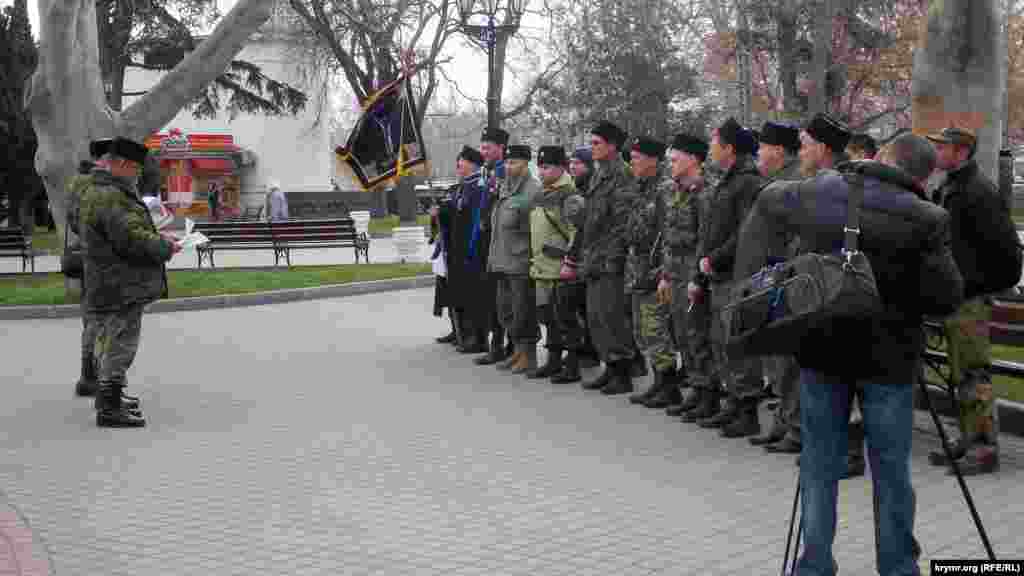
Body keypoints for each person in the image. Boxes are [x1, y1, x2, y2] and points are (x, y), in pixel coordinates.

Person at [734, 121, 963, 576]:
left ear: (882, 158)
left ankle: (814, 564)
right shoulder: (927, 217)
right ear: (922, 178)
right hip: (891, 361)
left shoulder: (820, 189)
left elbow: (765, 202)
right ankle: (897, 567)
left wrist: (758, 280)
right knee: (891, 472)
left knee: (819, 465)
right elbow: (946, 297)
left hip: (822, 351)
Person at [926, 126, 1018, 476]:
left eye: (942, 146)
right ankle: (969, 438)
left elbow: (1007, 253)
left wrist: (976, 286)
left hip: (970, 300)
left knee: (974, 374)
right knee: (961, 372)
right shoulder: (954, 187)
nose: (937, 152)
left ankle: (983, 448)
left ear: (961, 151)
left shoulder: (978, 192)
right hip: (957, 297)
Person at [80, 137, 182, 428]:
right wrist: (164, 246)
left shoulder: (101, 190)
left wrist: (158, 240)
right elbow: (131, 238)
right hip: (120, 284)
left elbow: (127, 233)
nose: (138, 174)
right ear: (122, 165)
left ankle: (109, 397)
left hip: (110, 281)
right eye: (135, 169)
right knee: (120, 344)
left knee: (114, 340)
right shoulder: (111, 195)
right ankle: (110, 408)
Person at [691, 118, 767, 437]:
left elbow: (745, 233)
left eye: (714, 143)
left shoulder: (748, 182)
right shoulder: (729, 180)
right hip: (719, 273)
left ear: (729, 149)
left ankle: (747, 410)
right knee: (722, 341)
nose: (710, 149)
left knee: (738, 342)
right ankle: (734, 403)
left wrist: (715, 258)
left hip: (737, 273)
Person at [749, 121, 803, 454]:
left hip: (784, 275)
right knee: (775, 358)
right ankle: (783, 422)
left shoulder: (793, 182)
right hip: (768, 276)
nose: (758, 154)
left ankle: (795, 427)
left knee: (787, 360)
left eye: (762, 148)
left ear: (778, 151)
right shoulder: (774, 181)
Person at [580, 120, 637, 394]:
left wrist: (611, 259)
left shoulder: (622, 175)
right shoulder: (598, 173)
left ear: (612, 146)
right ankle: (609, 367)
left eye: (596, 143)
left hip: (610, 260)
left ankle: (623, 371)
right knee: (596, 317)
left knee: (611, 316)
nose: (592, 148)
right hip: (594, 256)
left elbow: (622, 224)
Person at [623, 136, 679, 405]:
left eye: (637, 157)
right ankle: (658, 382)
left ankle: (669, 386)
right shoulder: (641, 188)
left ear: (653, 160)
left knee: (657, 330)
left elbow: (668, 235)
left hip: (654, 271)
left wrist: (663, 273)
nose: (632, 162)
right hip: (637, 270)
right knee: (643, 330)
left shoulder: (665, 189)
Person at [656, 133, 709, 416]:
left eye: (675, 159)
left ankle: (707, 392)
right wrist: (665, 274)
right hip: (675, 272)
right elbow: (668, 237)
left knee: (696, 335)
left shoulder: (705, 191)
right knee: (682, 334)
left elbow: (705, 238)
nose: (671, 163)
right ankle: (696, 388)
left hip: (692, 272)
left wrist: (696, 278)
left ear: (693, 159)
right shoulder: (674, 190)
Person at [527, 145, 581, 380]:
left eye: (547, 167)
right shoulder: (541, 193)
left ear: (561, 167)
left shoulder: (569, 195)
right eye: (539, 166)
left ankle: (573, 365)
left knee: (566, 319)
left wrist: (570, 260)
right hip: (541, 267)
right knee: (548, 318)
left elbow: (576, 232)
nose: (541, 171)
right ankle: (553, 360)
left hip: (561, 267)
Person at [488, 143, 541, 374]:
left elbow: (536, 229)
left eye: (514, 162)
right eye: (507, 162)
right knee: (506, 311)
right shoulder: (505, 187)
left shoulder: (533, 190)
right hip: (502, 260)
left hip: (521, 261)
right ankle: (518, 352)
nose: (509, 166)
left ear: (526, 163)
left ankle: (528, 356)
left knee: (523, 311)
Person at [473, 128, 513, 366]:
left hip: (500, 241)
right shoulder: (487, 172)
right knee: (493, 296)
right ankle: (498, 344)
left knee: (502, 297)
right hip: (487, 240)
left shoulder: (504, 172)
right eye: (482, 147)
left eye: (488, 147)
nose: (483, 152)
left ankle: (505, 345)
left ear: (501, 148)